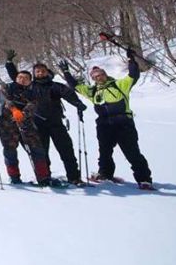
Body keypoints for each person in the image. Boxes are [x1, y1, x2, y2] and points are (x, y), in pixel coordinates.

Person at [60, 53, 154, 190]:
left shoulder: (120, 85)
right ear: (93, 79)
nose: (99, 78)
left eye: (101, 75)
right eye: (96, 77)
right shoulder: (92, 91)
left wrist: (131, 60)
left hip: (123, 123)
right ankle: (105, 174)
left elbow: (133, 75)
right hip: (104, 125)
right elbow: (75, 86)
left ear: (105, 74)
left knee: (132, 152)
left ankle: (144, 179)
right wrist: (66, 72)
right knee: (104, 152)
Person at [5, 50, 88, 184]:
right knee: (42, 153)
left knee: (66, 151)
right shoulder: (30, 86)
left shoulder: (54, 86)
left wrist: (78, 104)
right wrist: (9, 63)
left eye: (42, 71)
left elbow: (68, 94)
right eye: (37, 71)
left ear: (47, 72)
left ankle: (74, 177)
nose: (40, 73)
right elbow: (18, 78)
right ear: (34, 74)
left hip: (56, 123)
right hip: (37, 124)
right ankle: (45, 177)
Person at [0, 69, 60, 186]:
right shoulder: (7, 87)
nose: (22, 79)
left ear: (30, 81)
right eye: (20, 77)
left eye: (26, 78)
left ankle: (43, 177)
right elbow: (4, 99)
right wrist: (14, 110)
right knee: (10, 150)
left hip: (26, 123)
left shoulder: (33, 91)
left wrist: (23, 114)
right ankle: (14, 177)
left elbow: (33, 104)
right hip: (6, 123)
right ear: (16, 78)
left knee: (37, 148)